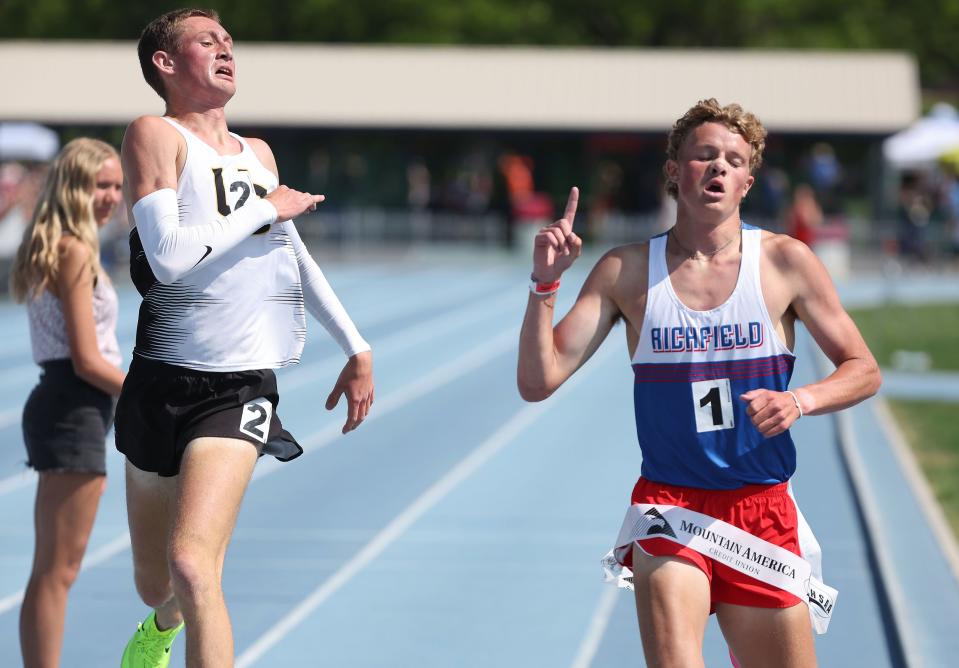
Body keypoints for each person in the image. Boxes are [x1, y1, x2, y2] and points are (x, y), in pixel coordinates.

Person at [517, 99, 880, 667]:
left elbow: (864, 369)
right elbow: (538, 380)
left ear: (747, 182)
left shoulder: (785, 263)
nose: (718, 167)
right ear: (673, 171)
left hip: (761, 508)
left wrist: (799, 400)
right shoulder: (626, 270)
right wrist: (544, 286)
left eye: (732, 160)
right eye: (704, 155)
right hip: (670, 507)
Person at [116, 9, 374, 667]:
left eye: (229, 41)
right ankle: (165, 621)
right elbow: (169, 257)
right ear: (165, 65)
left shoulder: (258, 154)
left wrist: (355, 345)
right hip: (160, 380)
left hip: (238, 387)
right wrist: (265, 207)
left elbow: (291, 258)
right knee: (159, 583)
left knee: (193, 564)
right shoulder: (156, 135)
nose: (226, 49)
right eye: (207, 41)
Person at [10, 138, 125, 667]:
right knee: (58, 571)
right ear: (74, 187)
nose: (112, 196)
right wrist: (148, 391)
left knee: (54, 569)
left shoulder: (63, 245)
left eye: (118, 186)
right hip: (72, 406)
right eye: (102, 185)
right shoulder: (73, 250)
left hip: (70, 405)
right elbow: (85, 358)